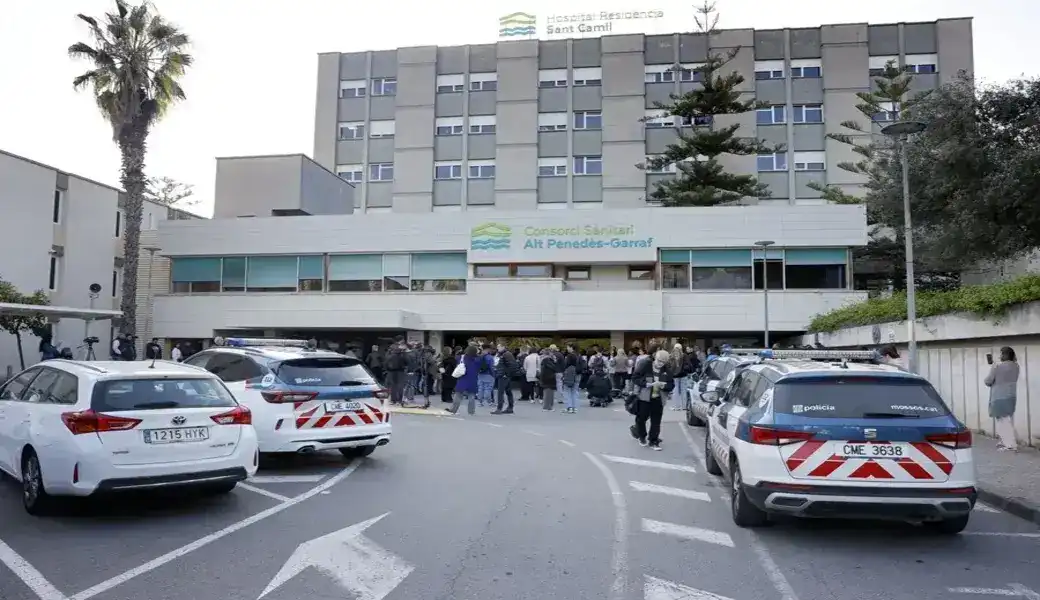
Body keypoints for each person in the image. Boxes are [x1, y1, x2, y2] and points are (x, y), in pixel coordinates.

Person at [630, 350, 673, 450]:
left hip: (658, 398)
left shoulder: (667, 370)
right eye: (659, 361)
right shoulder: (645, 365)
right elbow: (635, 378)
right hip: (644, 397)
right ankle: (642, 436)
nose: (660, 363)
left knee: (656, 421)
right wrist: (645, 384)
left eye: (663, 362)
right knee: (641, 418)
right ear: (655, 358)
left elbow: (671, 385)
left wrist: (664, 385)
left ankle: (653, 440)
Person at [985, 346, 1020, 452]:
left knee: (1002, 421)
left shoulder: (997, 366)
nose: (1000, 356)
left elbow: (988, 381)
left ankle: (1010, 444)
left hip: (999, 397)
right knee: (1006, 419)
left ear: (1005, 355)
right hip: (1011, 396)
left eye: (1001, 354)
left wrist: (993, 366)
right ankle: (1005, 441)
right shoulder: (1016, 366)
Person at [448, 345, 481, 416]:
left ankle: (453, 410)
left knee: (458, 395)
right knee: (471, 397)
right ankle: (471, 412)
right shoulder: (478, 360)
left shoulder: (461, 357)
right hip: (473, 380)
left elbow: (456, 360)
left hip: (462, 379)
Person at [492, 343, 518, 414]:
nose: (498, 348)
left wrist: (506, 374)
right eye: (497, 347)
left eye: (499, 347)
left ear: (503, 347)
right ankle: (510, 408)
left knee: (501, 392)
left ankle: (499, 408)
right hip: (504, 375)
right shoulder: (503, 354)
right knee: (508, 392)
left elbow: (512, 365)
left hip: (503, 376)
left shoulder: (506, 354)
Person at [384, 337, 408, 406]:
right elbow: (407, 362)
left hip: (391, 372)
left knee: (393, 386)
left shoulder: (389, 355)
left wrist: (386, 369)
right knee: (400, 386)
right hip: (400, 371)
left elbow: (385, 363)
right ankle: (399, 400)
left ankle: (393, 400)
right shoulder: (402, 355)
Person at [561, 344, 581, 414]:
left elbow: (565, 365)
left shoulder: (569, 356)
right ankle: (575, 407)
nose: (567, 348)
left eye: (568, 347)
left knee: (567, 391)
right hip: (577, 375)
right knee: (575, 392)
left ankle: (569, 407)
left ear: (571, 348)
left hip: (569, 375)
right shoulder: (579, 355)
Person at [476, 344, 496, 408]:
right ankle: (489, 402)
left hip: (480, 375)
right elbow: (491, 368)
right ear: (488, 349)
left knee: (480, 389)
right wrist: (493, 375)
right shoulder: (490, 357)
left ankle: (480, 402)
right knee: (488, 389)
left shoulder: (479, 356)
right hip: (488, 375)